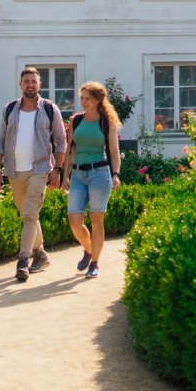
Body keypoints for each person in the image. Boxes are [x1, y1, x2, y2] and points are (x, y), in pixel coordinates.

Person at [0, 66, 67, 283]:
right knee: (27, 214)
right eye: (27, 82)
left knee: (30, 214)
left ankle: (23, 260)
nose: (30, 85)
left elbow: (61, 141)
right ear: (20, 85)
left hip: (40, 169)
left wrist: (57, 170)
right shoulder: (10, 109)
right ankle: (41, 253)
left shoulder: (50, 109)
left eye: (34, 81)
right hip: (14, 170)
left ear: (39, 85)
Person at [65, 80, 123, 280]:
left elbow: (114, 152)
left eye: (87, 99)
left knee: (96, 220)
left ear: (98, 100)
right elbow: (70, 150)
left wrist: (116, 174)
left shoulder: (107, 122)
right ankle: (88, 250)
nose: (84, 102)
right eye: (82, 98)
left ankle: (95, 263)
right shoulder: (76, 120)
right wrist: (65, 175)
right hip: (78, 174)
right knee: (74, 221)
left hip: (100, 173)